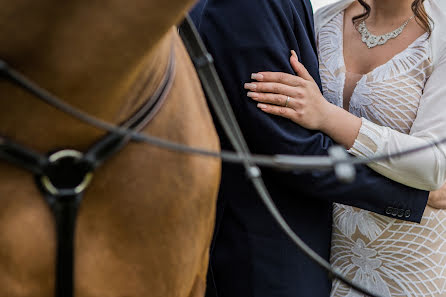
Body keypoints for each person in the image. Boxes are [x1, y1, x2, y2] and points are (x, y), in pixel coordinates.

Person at [190, 1, 434, 297]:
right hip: (275, 249)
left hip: (405, 257)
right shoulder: (309, 16)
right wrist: (411, 196)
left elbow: (436, 162)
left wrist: (326, 116)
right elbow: (286, 145)